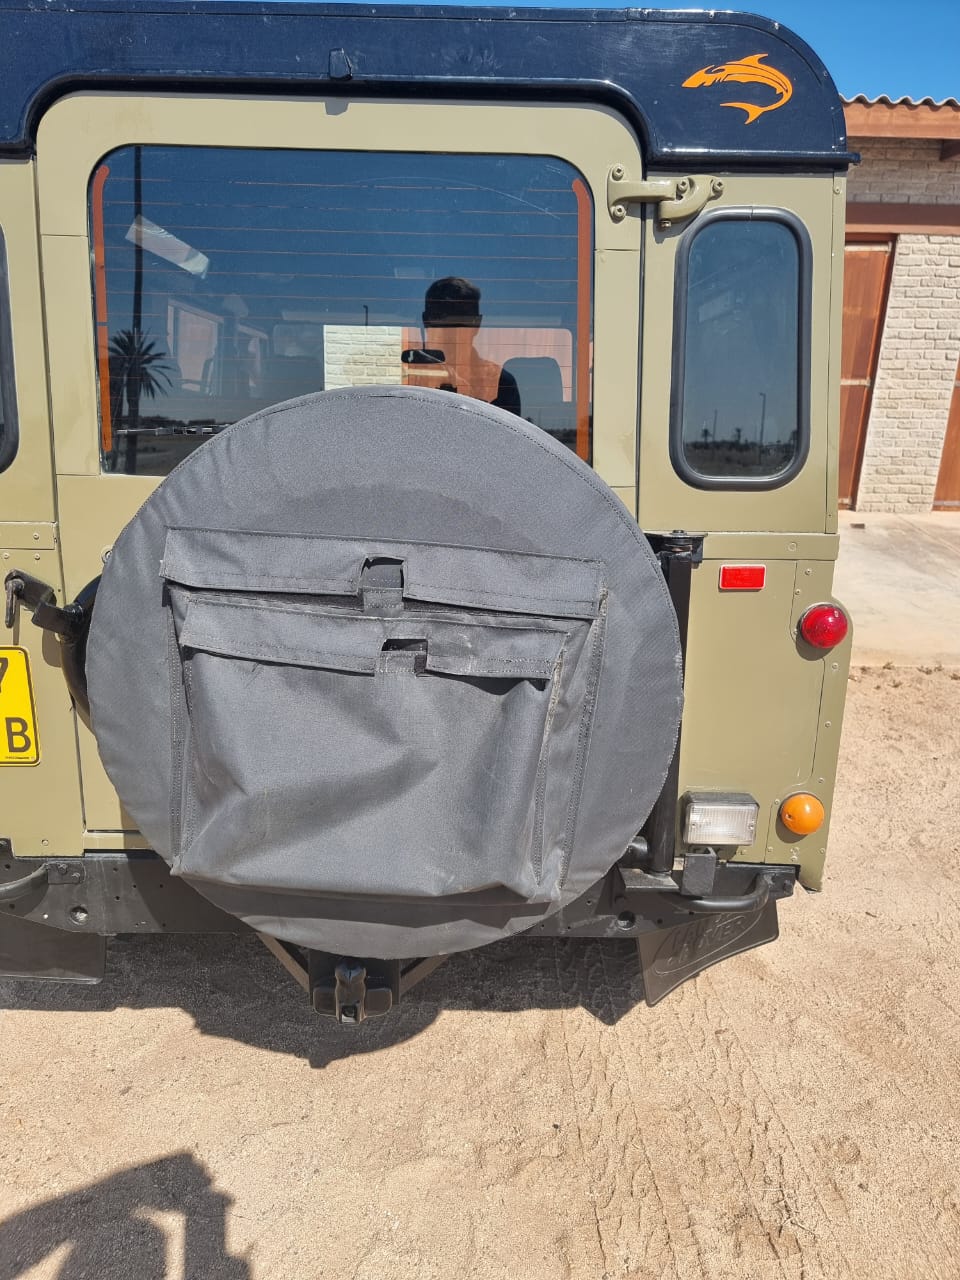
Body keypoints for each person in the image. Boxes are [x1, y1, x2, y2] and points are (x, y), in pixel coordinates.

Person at [416, 277, 521, 415]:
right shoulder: (406, 376)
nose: (451, 332)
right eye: (441, 320)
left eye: (461, 322)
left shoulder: (499, 381)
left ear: (477, 324)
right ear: (425, 321)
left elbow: (506, 429)